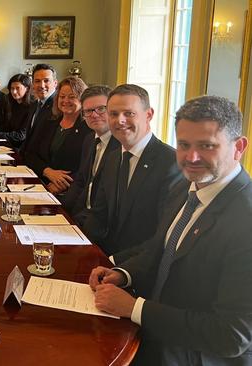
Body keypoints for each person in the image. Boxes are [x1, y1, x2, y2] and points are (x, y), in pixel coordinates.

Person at [90, 95, 252, 365]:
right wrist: (123, 273)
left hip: (194, 355)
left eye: (207, 146)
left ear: (239, 147)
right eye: (184, 145)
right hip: (154, 333)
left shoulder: (245, 220)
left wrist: (134, 308)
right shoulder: (186, 187)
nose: (192, 157)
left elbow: (231, 335)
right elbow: (161, 249)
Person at [83, 84, 182, 262]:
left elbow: (162, 237)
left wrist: (115, 262)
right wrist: (80, 245)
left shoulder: (171, 163)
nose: (120, 120)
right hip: (104, 258)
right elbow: (99, 215)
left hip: (139, 266)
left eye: (129, 113)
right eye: (113, 114)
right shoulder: (113, 158)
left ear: (149, 115)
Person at [62, 85, 120, 225]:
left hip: (102, 224)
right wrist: (62, 210)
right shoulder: (89, 139)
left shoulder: (121, 145)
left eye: (101, 109)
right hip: (80, 214)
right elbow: (81, 181)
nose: (94, 115)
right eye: (88, 111)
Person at [24, 76, 92, 194]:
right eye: (62, 96)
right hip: (39, 184)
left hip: (69, 192)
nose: (65, 101)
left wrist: (62, 184)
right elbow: (30, 154)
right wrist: (47, 171)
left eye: (72, 97)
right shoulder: (49, 122)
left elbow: (87, 168)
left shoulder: (88, 129)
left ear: (82, 99)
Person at [0, 73, 33, 148]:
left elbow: (21, 135)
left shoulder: (32, 107)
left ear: (27, 88)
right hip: (10, 145)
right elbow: (8, 126)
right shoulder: (12, 104)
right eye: (12, 88)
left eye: (17, 88)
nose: (14, 92)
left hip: (22, 148)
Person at [20, 64, 58, 162]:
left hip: (44, 167)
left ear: (55, 83)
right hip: (29, 162)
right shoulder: (34, 105)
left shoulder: (58, 107)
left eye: (46, 81)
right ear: (32, 84)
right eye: (37, 81)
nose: (41, 85)